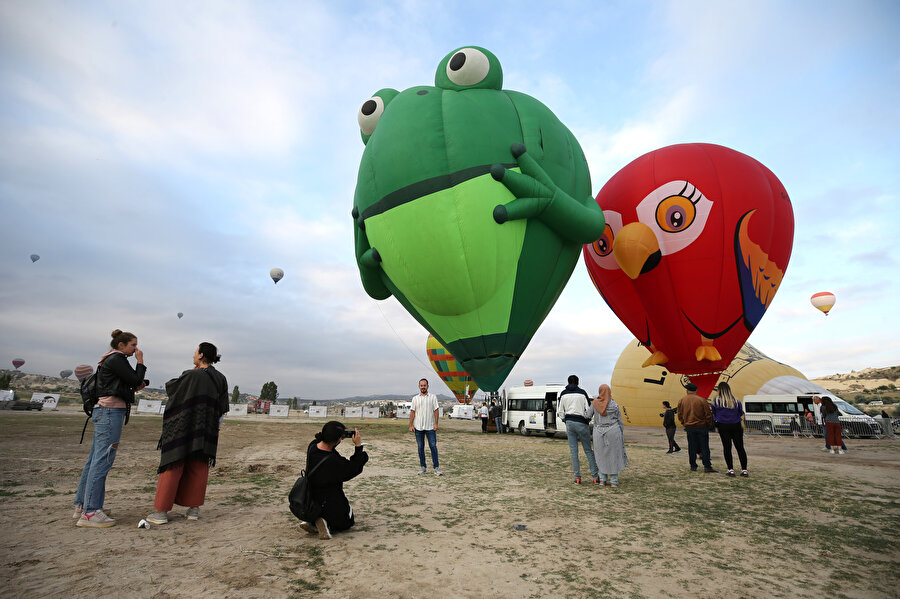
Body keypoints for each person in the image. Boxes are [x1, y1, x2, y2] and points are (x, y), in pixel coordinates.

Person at [145, 342, 229, 525]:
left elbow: (172, 388)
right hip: (206, 429)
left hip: (184, 428)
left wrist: (192, 372)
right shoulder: (221, 378)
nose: (193, 354)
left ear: (200, 355)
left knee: (173, 465)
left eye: (195, 352)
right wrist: (216, 426)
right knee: (199, 467)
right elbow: (222, 408)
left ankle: (161, 512)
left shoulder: (191, 375)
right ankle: (193, 510)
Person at [74, 329, 147, 528]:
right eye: (133, 345)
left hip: (106, 411)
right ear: (121, 345)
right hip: (109, 412)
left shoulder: (111, 360)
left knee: (94, 460)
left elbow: (125, 383)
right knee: (103, 459)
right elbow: (134, 378)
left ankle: (84, 505)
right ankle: (90, 512)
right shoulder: (117, 358)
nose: (136, 349)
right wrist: (140, 362)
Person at [297, 421, 368, 539]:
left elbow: (329, 446)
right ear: (336, 440)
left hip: (311, 499)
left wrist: (337, 438)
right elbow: (353, 468)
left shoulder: (313, 446)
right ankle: (325, 523)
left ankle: (313, 520)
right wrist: (358, 447)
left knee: (324, 508)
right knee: (348, 520)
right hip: (330, 500)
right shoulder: (333, 461)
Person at [557, 374, 598, 484]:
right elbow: (589, 410)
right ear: (578, 382)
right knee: (588, 450)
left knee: (573, 452)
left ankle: (577, 477)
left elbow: (560, 412)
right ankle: (595, 477)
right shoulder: (582, 393)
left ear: (568, 382)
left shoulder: (563, 394)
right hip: (581, 423)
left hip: (569, 423)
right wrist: (587, 421)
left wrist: (565, 420)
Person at [676, 382, 717, 473]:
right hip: (702, 427)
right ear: (696, 391)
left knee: (692, 447)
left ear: (687, 390)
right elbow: (708, 414)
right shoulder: (702, 400)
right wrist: (708, 425)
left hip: (689, 427)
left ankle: (693, 466)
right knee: (704, 447)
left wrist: (685, 423)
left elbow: (679, 415)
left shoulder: (682, 400)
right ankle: (707, 466)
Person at [591, 384, 627, 487]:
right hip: (613, 431)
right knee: (614, 456)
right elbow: (620, 421)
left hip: (598, 432)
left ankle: (602, 480)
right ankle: (614, 481)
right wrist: (621, 432)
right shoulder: (614, 405)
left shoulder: (594, 404)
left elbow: (588, 416)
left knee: (600, 455)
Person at [710, 382, 748, 477]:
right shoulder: (735, 400)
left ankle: (730, 469)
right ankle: (744, 470)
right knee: (740, 448)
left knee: (727, 447)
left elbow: (714, 413)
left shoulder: (716, 401)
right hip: (736, 425)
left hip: (723, 426)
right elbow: (741, 412)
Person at [409, 378, 442, 475]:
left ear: (428, 386)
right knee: (420, 447)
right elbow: (412, 412)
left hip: (430, 426)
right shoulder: (415, 398)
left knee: (433, 446)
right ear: (419, 386)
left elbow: (436, 410)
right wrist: (411, 425)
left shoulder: (433, 397)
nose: (423, 387)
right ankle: (423, 467)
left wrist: (436, 423)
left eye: (424, 385)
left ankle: (436, 467)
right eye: (421, 385)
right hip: (418, 427)